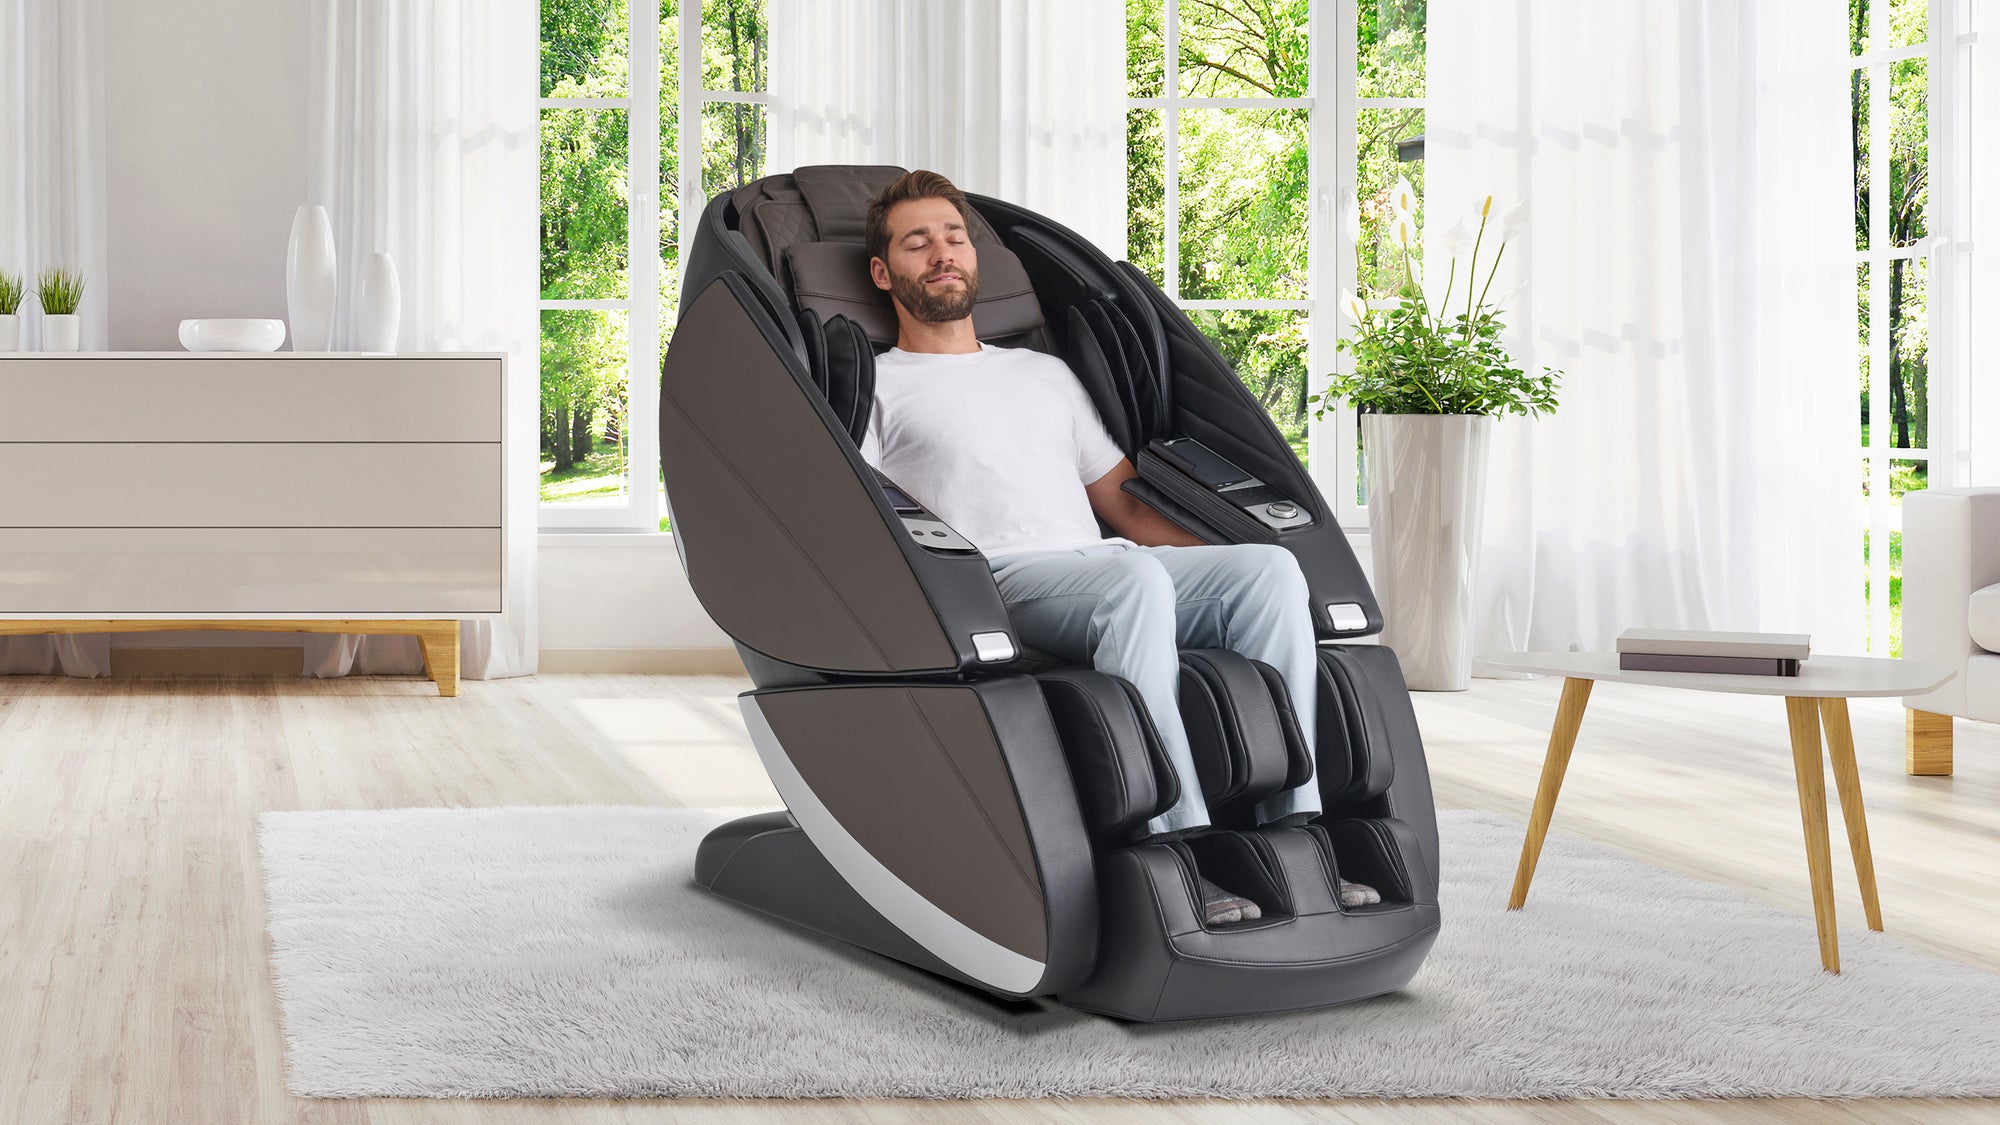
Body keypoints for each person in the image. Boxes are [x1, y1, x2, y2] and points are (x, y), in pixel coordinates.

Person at [854, 171, 1376, 922]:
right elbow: (872, 518)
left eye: (955, 237)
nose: (942, 253)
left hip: (1107, 566)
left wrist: (1218, 559)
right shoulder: (880, 383)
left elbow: (1124, 504)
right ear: (884, 271)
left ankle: (1299, 831)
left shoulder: (1045, 372)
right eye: (917, 241)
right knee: (1138, 588)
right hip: (995, 583)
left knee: (1269, 571)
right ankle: (1186, 854)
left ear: (975, 258)